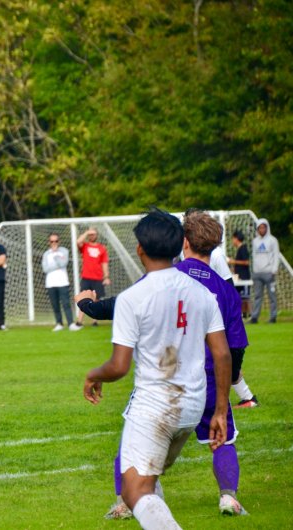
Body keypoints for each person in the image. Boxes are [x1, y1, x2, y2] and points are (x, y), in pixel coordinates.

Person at [82, 208, 231, 529]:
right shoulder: (203, 293)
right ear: (180, 245)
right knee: (146, 480)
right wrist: (220, 411)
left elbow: (118, 366)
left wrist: (94, 375)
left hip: (155, 407)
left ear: (139, 249)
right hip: (192, 408)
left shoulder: (133, 297)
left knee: (133, 490)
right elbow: (222, 354)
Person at [41, 233, 81, 331]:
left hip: (63, 282)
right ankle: (59, 323)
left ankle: (71, 324)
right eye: (52, 241)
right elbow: (45, 269)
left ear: (59, 242)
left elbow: (63, 263)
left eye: (56, 241)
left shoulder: (64, 251)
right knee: (55, 305)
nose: (54, 243)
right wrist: (57, 265)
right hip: (50, 283)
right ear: (49, 242)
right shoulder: (46, 254)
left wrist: (55, 257)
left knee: (66, 304)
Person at [75, 226, 110, 327]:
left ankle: (95, 321)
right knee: (83, 298)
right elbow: (78, 241)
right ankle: (79, 321)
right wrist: (87, 232)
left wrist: (106, 276)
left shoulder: (102, 248)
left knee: (96, 299)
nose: (91, 236)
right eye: (90, 234)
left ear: (97, 235)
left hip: (98, 278)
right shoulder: (85, 246)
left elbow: (104, 263)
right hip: (86, 277)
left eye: (93, 234)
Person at [249, 218, 280, 324]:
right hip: (257, 273)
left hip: (269, 272)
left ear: (267, 228)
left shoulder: (273, 240)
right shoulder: (255, 241)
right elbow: (254, 256)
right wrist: (254, 270)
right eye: (260, 228)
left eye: (263, 227)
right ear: (257, 229)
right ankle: (254, 317)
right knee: (257, 296)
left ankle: (273, 317)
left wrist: (274, 270)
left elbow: (276, 255)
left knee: (272, 296)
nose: (262, 229)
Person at [228, 230, 251, 318]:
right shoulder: (239, 249)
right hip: (239, 277)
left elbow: (246, 262)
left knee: (245, 296)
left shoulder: (243, 248)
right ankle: (242, 314)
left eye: (233, 238)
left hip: (244, 277)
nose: (232, 241)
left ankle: (249, 315)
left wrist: (233, 261)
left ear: (236, 239)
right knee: (239, 296)